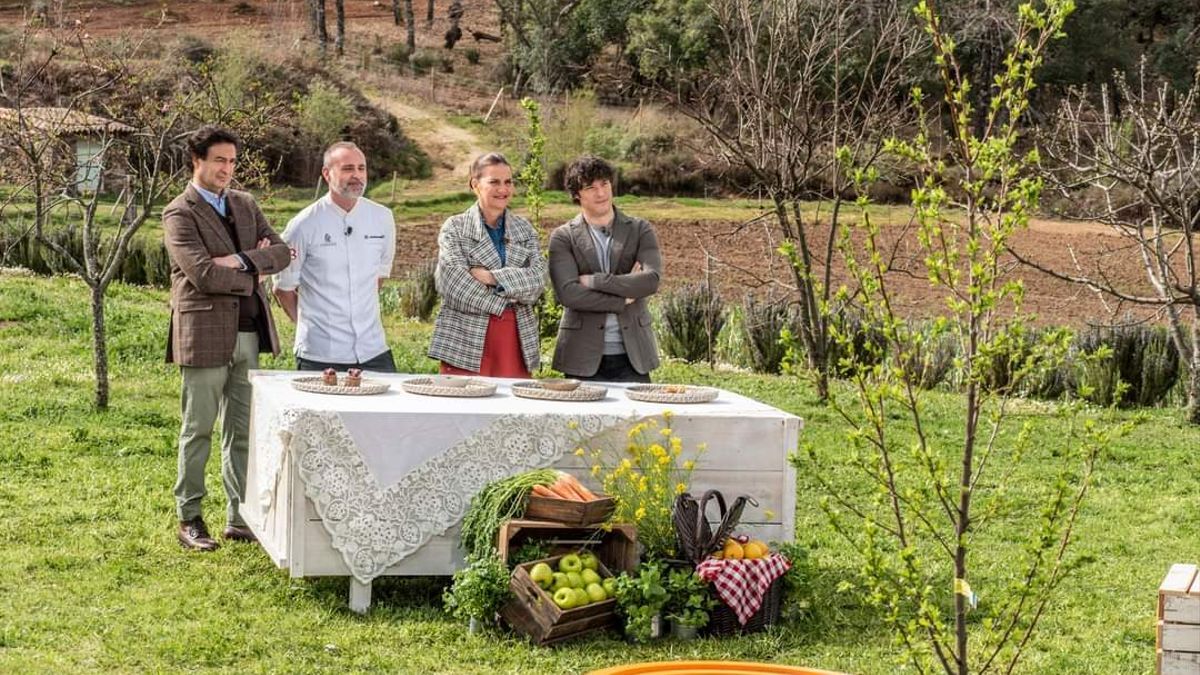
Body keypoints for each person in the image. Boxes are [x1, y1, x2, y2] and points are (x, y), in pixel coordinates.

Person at [163, 125, 291, 552]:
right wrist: (253, 269)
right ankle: (190, 518)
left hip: (250, 334)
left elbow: (282, 252)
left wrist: (239, 260)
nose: (227, 169)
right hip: (203, 334)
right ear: (196, 160)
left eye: (233, 161)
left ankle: (241, 517)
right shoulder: (179, 212)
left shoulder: (246, 203)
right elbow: (202, 273)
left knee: (242, 431)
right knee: (197, 428)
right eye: (219, 160)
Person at [273, 142, 398, 373]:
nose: (357, 175)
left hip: (373, 350)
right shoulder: (302, 225)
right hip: (321, 354)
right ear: (326, 173)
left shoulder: (383, 218)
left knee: (387, 409)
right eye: (348, 168)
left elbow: (378, 279)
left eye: (361, 168)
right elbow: (283, 288)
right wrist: (311, 328)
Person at [428, 152, 546, 377]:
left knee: (512, 410)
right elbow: (452, 284)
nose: (503, 189)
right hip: (465, 339)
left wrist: (493, 278)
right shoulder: (455, 228)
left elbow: (538, 281)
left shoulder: (525, 229)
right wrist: (506, 300)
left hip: (515, 337)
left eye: (508, 182)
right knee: (464, 407)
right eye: (494, 182)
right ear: (475, 185)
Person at [548, 156, 662, 382]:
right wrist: (622, 299)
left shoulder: (640, 229)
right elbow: (568, 294)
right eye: (591, 187)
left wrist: (596, 281)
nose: (601, 193)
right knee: (579, 419)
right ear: (577, 194)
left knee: (638, 419)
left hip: (633, 356)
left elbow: (650, 281)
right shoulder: (563, 237)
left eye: (605, 184)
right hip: (581, 355)